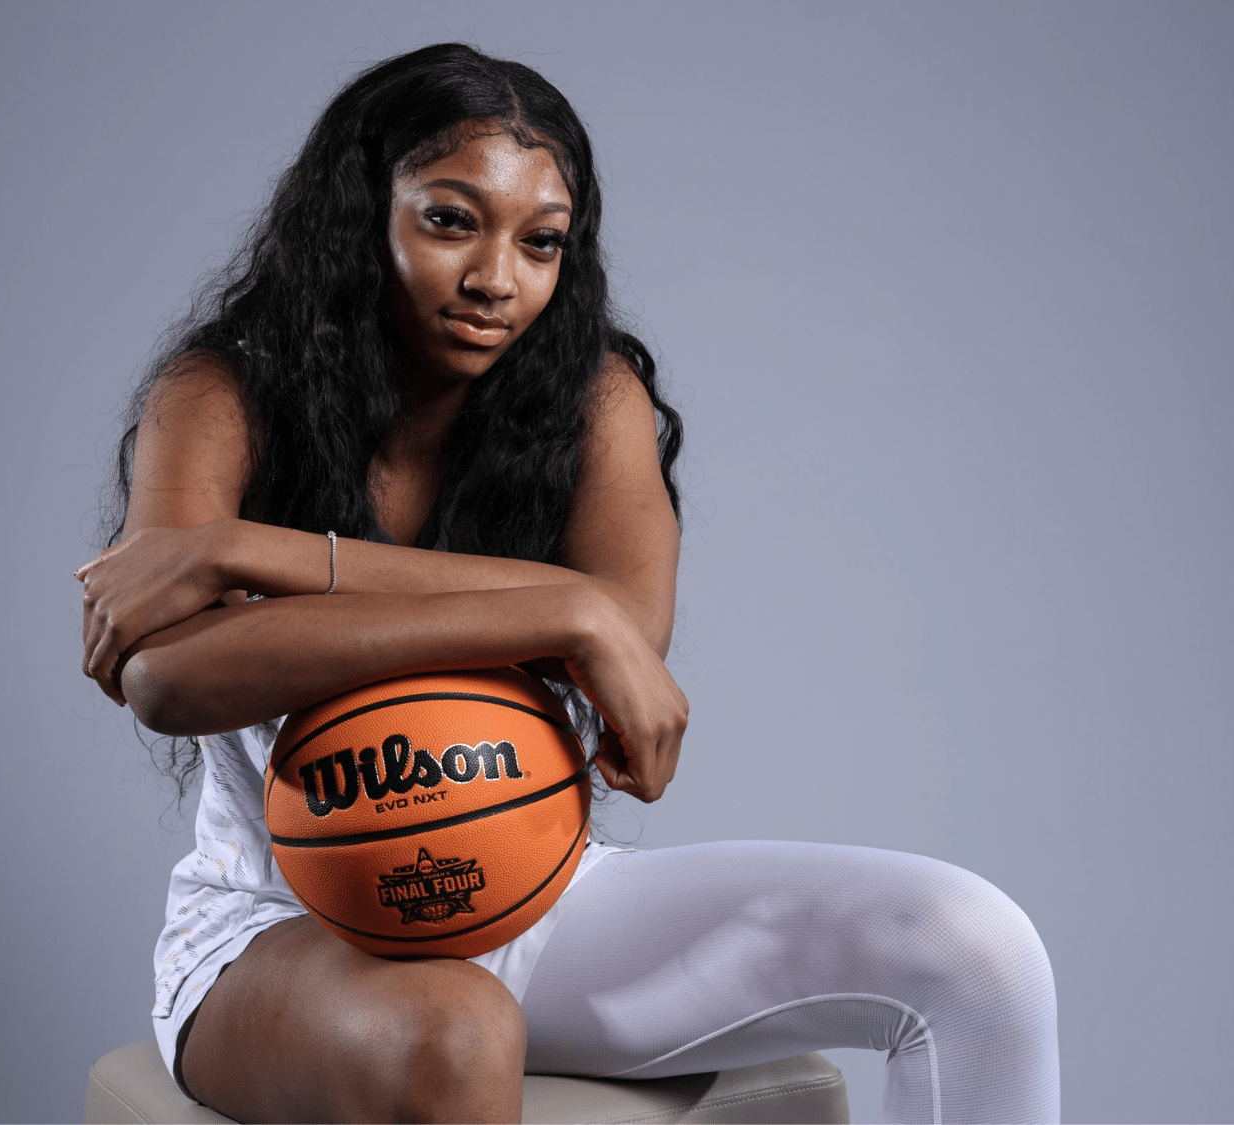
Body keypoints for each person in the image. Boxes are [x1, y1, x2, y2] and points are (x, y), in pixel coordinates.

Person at [78, 43, 1060, 1125]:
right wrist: (562, 606)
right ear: (360, 217)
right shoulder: (222, 391)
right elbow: (169, 681)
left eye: (539, 242)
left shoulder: (591, 397)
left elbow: (628, 629)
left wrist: (255, 553)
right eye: (449, 220)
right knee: (456, 1034)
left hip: (534, 895)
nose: (498, 279)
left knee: (973, 947)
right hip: (281, 927)